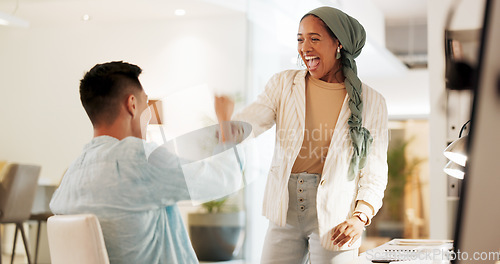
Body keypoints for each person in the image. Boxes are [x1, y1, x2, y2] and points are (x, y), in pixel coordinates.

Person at [215, 6, 388, 264]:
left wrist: (360, 216)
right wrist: (226, 123)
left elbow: (374, 168)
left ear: (338, 43)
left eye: (314, 39)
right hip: (285, 209)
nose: (304, 47)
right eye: (300, 39)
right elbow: (252, 123)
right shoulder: (284, 84)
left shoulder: (371, 101)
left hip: (336, 215)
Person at [50, 61, 199, 264]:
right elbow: (216, 178)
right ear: (132, 105)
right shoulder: (138, 158)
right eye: (146, 104)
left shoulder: (70, 175)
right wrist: (227, 130)